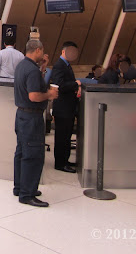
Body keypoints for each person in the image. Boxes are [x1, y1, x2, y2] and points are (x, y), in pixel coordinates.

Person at [13, 39, 59, 207]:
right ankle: (27, 194)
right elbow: (34, 95)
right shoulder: (31, 70)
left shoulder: (22, 66)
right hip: (31, 118)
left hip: (21, 116)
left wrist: (43, 68)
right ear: (38, 50)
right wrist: (50, 95)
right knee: (33, 155)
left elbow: (33, 83)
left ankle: (20, 187)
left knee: (21, 152)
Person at [51, 41, 81, 173]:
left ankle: (65, 160)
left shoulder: (67, 65)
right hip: (62, 108)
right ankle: (60, 163)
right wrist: (75, 84)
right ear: (64, 51)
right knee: (62, 136)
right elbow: (60, 84)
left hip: (68, 107)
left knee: (67, 135)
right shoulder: (59, 65)